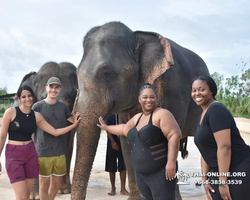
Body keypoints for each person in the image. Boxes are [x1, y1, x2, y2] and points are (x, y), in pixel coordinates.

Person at [98, 83, 182, 200]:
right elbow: (123, 128)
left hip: (160, 173)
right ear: (139, 99)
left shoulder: (162, 114)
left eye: (152, 97)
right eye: (145, 97)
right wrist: (106, 127)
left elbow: (174, 135)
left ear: (156, 98)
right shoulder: (138, 118)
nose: (149, 100)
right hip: (141, 175)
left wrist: (171, 162)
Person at [0, 85, 80, 200]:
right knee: (21, 196)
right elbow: (2, 136)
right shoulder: (11, 112)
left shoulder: (36, 116)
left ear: (33, 97)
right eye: (23, 97)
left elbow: (55, 132)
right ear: (19, 98)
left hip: (31, 154)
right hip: (14, 155)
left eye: (29, 96)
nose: (27, 99)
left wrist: (74, 125)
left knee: (26, 196)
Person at [191, 75, 250, 200]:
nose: (197, 93)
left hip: (238, 167)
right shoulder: (204, 114)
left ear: (211, 91)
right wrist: (205, 179)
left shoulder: (216, 110)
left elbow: (224, 147)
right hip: (218, 170)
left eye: (201, 89)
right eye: (194, 90)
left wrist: (223, 181)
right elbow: (205, 151)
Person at [31, 77, 77, 200]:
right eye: (51, 87)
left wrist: (78, 114)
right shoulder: (37, 107)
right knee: (43, 185)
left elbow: (72, 120)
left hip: (60, 152)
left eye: (56, 87)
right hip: (42, 152)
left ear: (60, 89)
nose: (53, 90)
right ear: (46, 88)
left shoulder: (63, 107)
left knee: (56, 185)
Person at [105, 114, 129, 196]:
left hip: (123, 141)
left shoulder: (124, 113)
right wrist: (112, 141)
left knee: (123, 165)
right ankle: (113, 188)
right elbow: (107, 128)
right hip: (111, 142)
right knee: (111, 166)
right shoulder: (110, 114)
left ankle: (123, 188)